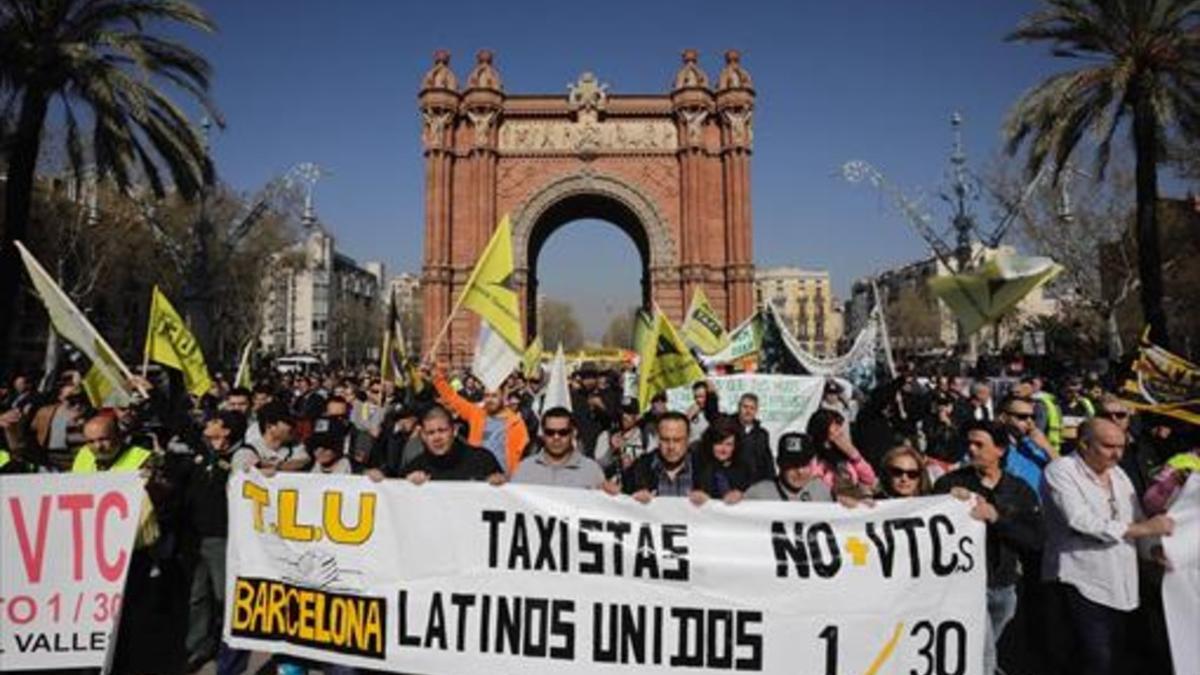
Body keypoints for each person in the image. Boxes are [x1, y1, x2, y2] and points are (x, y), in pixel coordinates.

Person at [1040, 417, 1174, 675]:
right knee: (1093, 658)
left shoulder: (1119, 474)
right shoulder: (1060, 470)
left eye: (1121, 447)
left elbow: (1137, 518)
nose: (1117, 454)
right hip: (1079, 580)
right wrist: (1144, 529)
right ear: (1083, 444)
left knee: (1116, 657)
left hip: (1120, 581)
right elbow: (1080, 520)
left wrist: (1152, 550)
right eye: (1108, 446)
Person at [934, 420, 1042, 675]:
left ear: (1000, 450)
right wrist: (949, 504)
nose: (971, 449)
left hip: (1004, 585)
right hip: (966, 587)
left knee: (983, 646)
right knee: (984, 656)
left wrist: (997, 517)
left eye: (979, 444)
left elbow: (1035, 539)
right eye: (969, 443)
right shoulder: (951, 484)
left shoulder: (1020, 490)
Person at [181, 411, 251, 673]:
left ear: (226, 431)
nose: (206, 427)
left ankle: (229, 647)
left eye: (213, 422)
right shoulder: (203, 452)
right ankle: (198, 647)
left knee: (224, 597)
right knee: (198, 596)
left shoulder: (241, 456)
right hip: (197, 537)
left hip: (223, 538)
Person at [434, 366, 529, 475]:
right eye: (487, 396)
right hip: (476, 476)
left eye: (494, 396)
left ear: (503, 396)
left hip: (504, 481)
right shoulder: (476, 414)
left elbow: (522, 456)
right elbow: (452, 398)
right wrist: (437, 377)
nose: (490, 400)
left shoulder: (516, 423)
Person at [386, 405, 505, 484]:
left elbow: (508, 500)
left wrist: (499, 485)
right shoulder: (414, 467)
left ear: (454, 431)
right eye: (431, 433)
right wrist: (406, 487)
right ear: (423, 436)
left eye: (442, 430)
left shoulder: (483, 460)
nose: (437, 438)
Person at [512, 407, 606, 489]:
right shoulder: (524, 469)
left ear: (573, 433)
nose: (556, 437)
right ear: (543, 434)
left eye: (563, 432)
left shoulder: (592, 471)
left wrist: (614, 495)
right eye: (550, 432)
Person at [623, 411, 695, 502]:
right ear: (657, 438)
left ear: (688, 439)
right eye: (665, 439)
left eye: (677, 440)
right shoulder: (638, 470)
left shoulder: (704, 470)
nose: (671, 447)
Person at [805, 408, 878, 495]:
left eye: (840, 428)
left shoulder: (844, 456)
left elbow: (870, 479)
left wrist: (854, 455)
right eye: (836, 429)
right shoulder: (814, 462)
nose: (841, 433)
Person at [744, 432, 833, 502]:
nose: (800, 471)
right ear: (779, 464)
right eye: (793, 465)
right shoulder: (758, 494)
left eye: (805, 464)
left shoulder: (822, 490)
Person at [998, 395, 1055, 497]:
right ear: (1004, 418)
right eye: (1022, 417)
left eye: (1033, 417)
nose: (1029, 422)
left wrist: (1047, 446)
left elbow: (1062, 470)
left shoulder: (1035, 443)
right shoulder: (994, 444)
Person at [691, 415, 753, 505]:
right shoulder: (698, 465)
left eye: (729, 444)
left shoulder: (744, 468)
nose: (723, 449)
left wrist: (742, 495)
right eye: (719, 443)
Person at [593, 401, 654, 479]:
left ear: (637, 416)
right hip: (613, 485)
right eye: (622, 412)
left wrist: (635, 464)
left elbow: (653, 466)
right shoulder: (606, 435)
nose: (624, 416)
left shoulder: (647, 438)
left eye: (629, 412)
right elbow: (598, 464)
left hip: (637, 485)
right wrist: (612, 449)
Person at [247, 401, 308, 471]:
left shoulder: (297, 448)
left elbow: (306, 462)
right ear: (270, 426)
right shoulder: (250, 450)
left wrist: (279, 466)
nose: (293, 426)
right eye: (288, 422)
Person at [735, 393, 775, 484]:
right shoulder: (728, 429)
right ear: (739, 407)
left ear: (756, 411)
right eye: (745, 407)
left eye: (752, 408)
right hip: (733, 485)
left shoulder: (762, 434)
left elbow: (768, 462)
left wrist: (771, 484)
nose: (748, 411)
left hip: (756, 485)